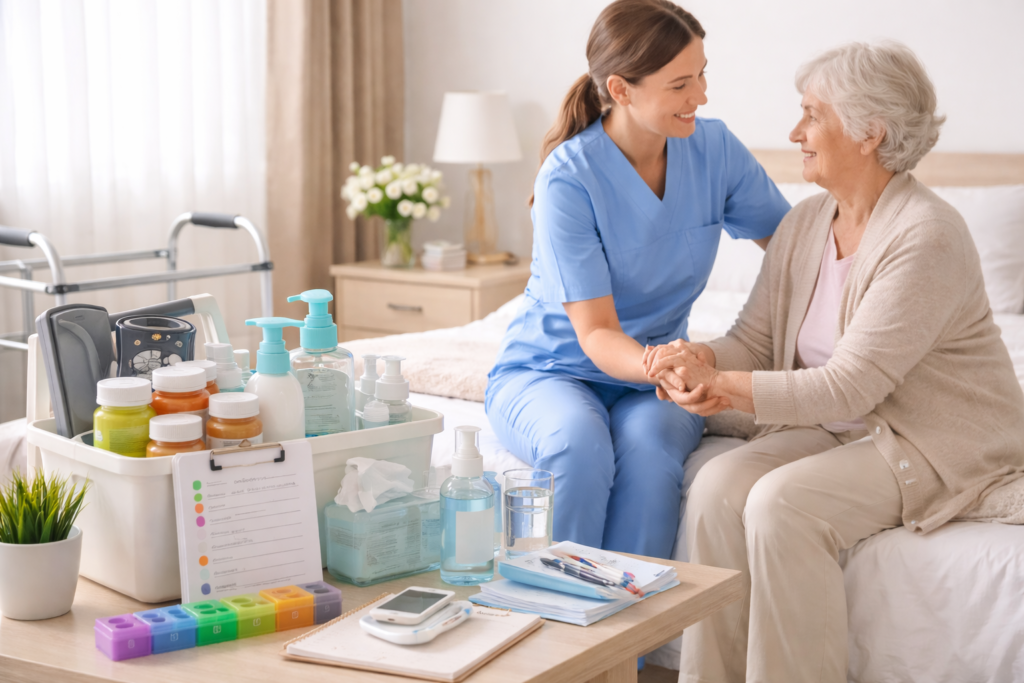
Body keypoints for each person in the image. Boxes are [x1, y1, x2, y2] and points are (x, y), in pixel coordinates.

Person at [644, 41, 1024, 682]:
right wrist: (702, 358)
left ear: (870, 131)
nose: (795, 132)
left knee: (782, 504)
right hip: (842, 424)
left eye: (811, 115)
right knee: (712, 488)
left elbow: (849, 387)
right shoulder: (807, 222)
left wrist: (725, 386)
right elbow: (757, 342)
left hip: (927, 436)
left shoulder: (926, 234)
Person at [485, 0, 790, 559]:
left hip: (657, 377)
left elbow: (798, 247)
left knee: (650, 453)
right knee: (579, 447)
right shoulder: (569, 179)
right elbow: (597, 332)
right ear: (621, 90)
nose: (700, 95)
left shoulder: (715, 149)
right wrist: (661, 364)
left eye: (702, 75)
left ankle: (632, 644)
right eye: (679, 84)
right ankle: (560, 627)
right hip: (552, 369)